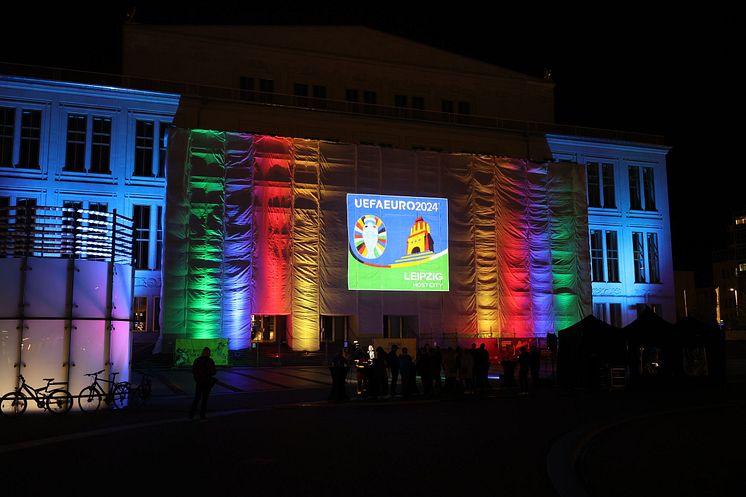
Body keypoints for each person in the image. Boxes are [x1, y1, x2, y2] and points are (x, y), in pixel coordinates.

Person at [190, 347, 217, 420]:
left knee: (197, 399)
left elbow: (194, 371)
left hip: (199, 382)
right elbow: (214, 372)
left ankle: (191, 415)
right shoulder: (210, 361)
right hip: (207, 383)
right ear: (209, 353)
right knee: (204, 400)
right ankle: (202, 415)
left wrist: (197, 379)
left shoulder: (197, 360)